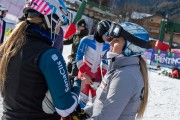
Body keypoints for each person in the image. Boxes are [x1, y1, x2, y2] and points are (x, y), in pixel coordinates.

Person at [0, 0, 81, 120]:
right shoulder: (49, 54)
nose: (59, 30)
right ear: (51, 21)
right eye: (59, 25)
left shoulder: (10, 46)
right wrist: (77, 85)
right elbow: (65, 108)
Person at [82, 22, 149, 120]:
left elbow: (107, 117)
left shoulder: (125, 76)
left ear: (131, 47)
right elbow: (101, 104)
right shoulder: (118, 69)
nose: (110, 43)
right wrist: (84, 113)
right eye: (112, 39)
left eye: (116, 40)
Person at [76, 19, 111, 108]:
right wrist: (84, 74)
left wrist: (105, 78)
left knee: (97, 102)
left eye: (110, 35)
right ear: (101, 31)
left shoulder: (107, 45)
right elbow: (79, 58)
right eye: (107, 34)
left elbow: (105, 62)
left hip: (97, 75)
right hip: (85, 72)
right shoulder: (86, 40)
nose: (109, 37)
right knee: (82, 102)